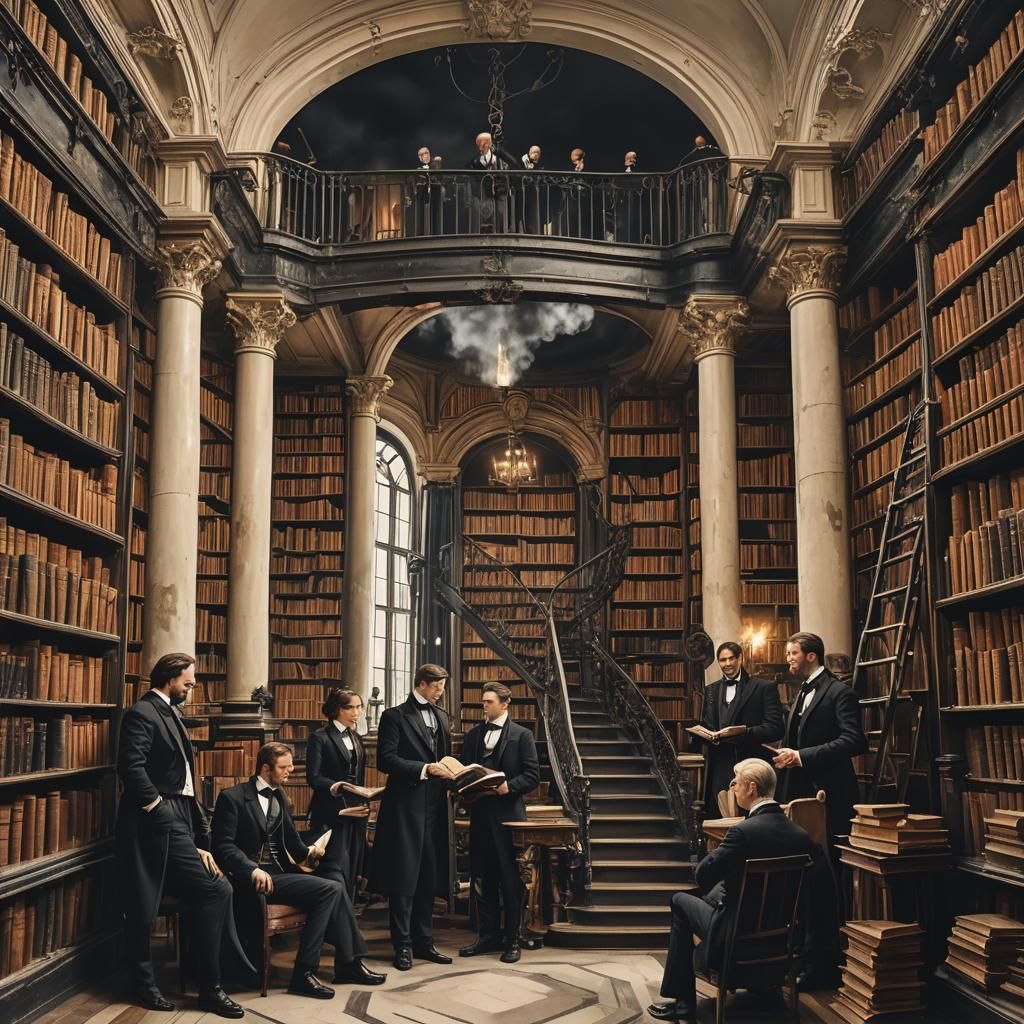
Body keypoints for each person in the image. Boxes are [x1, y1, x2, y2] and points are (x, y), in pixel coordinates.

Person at [114, 652, 249, 1017]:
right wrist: (158, 809)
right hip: (155, 821)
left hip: (181, 814)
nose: (191, 688)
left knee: (218, 887)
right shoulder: (142, 713)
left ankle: (210, 980)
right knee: (187, 896)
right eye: (187, 682)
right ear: (169, 678)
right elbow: (130, 767)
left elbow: (185, 781)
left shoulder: (171, 712)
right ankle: (172, 986)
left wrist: (199, 837)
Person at [647, 760, 818, 1022]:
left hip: (733, 935)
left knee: (680, 901)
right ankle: (764, 988)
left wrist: (721, 852)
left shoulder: (742, 832)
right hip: (779, 940)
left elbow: (702, 875)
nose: (733, 788)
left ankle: (683, 1002)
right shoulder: (800, 835)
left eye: (735, 783)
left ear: (751, 788)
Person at [212, 742, 385, 999]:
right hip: (254, 878)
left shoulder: (280, 795)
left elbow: (292, 842)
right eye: (284, 766)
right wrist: (251, 869)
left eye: (291, 765)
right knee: (331, 890)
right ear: (265, 768)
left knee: (334, 876)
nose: (290, 770)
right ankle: (308, 972)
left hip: (281, 871)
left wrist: (310, 853)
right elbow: (223, 846)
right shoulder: (233, 797)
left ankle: (346, 964)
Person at [369, 663, 454, 970]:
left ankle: (424, 942)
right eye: (436, 687)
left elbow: (443, 758)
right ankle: (402, 945)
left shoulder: (442, 716)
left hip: (436, 806)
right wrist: (423, 769)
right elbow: (386, 760)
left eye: (443, 687)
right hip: (405, 805)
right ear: (420, 684)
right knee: (404, 877)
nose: (440, 692)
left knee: (428, 877)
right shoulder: (394, 716)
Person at [458, 683, 539, 963]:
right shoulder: (473, 736)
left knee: (510, 879)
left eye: (489, 702)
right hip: (480, 817)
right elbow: (463, 773)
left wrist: (509, 786)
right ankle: (487, 935)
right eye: (483, 701)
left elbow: (532, 776)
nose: (484, 706)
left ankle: (513, 938)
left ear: (505, 704)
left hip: (508, 819)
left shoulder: (522, 735)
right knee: (483, 878)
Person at [773, 632, 868, 849]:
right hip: (797, 790)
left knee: (829, 859)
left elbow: (854, 740)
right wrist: (786, 755)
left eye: (793, 653)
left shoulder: (840, 692)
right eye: (787, 653)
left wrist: (801, 756)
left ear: (811, 656)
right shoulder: (801, 692)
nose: (788, 658)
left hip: (830, 789)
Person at [696, 641, 784, 806]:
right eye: (723, 660)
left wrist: (745, 733)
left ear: (740, 658)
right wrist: (705, 735)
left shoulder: (763, 687)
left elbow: (776, 728)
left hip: (751, 766)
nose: (727, 664)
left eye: (731, 659)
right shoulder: (710, 690)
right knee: (719, 819)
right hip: (719, 767)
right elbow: (708, 725)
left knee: (750, 817)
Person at [307, 688, 368, 899]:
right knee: (336, 863)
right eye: (350, 707)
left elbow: (359, 776)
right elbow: (313, 777)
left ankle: (349, 914)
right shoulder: (319, 737)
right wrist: (337, 785)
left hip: (357, 807)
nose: (356, 712)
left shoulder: (357, 737)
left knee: (354, 862)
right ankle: (335, 912)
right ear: (337, 710)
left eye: (359, 707)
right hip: (332, 808)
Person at [466, 131, 516, 232]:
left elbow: (514, 164)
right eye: (479, 144)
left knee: (500, 216)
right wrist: (478, 194)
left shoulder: (499, 157)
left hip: (500, 191)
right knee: (485, 220)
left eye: (483, 143)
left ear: (489, 144)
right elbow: (472, 178)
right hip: (484, 195)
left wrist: (501, 153)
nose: (480, 146)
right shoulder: (476, 161)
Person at [520, 145, 545, 233]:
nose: (535, 154)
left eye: (537, 153)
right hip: (524, 192)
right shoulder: (523, 161)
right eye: (534, 152)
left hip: (535, 193)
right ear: (529, 153)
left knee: (535, 212)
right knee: (525, 211)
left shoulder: (540, 166)